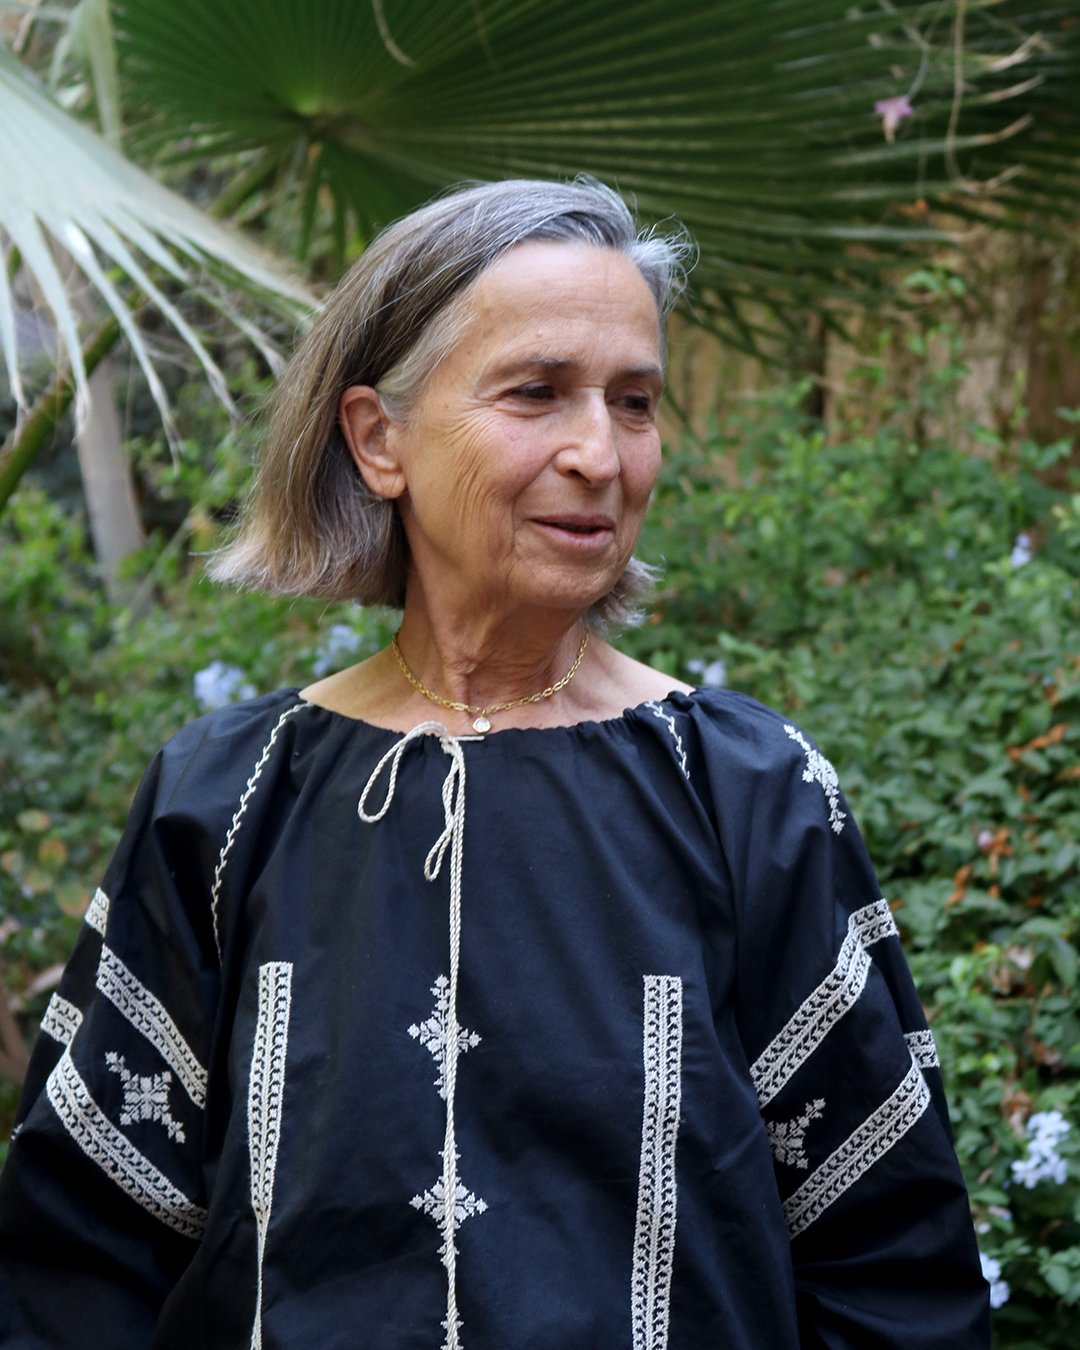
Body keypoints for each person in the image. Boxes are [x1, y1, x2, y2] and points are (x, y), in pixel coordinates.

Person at [0, 178, 990, 1348]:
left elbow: (889, 1264)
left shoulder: (746, 795)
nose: (600, 453)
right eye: (536, 392)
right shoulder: (227, 801)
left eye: (635, 402)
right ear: (379, 439)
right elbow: (83, 1258)